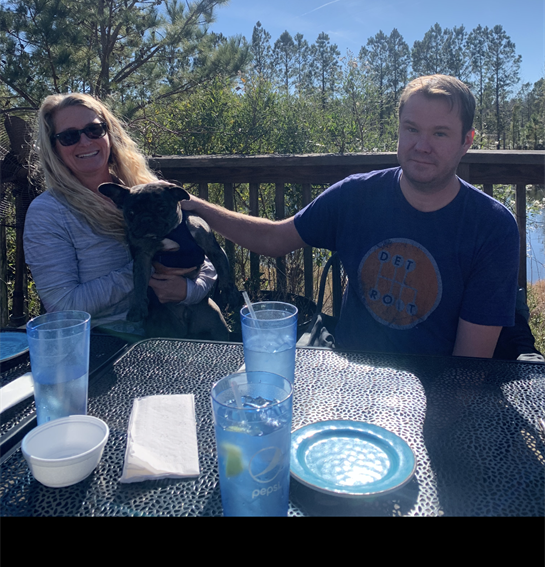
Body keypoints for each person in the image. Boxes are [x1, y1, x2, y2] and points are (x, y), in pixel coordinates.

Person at [179, 76, 521, 359]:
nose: (422, 145)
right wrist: (198, 206)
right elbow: (273, 239)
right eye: (412, 129)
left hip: (436, 391)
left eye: (440, 133)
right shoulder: (355, 196)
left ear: (466, 141)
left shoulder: (492, 227)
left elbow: (469, 367)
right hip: (353, 376)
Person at [23, 92, 219, 334]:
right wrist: (144, 266)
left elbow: (205, 257)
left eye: (94, 130)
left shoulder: (146, 189)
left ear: (109, 133)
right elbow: (63, 307)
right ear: (54, 147)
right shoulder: (49, 212)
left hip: (181, 325)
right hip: (107, 341)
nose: (84, 142)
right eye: (69, 136)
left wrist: (189, 291)